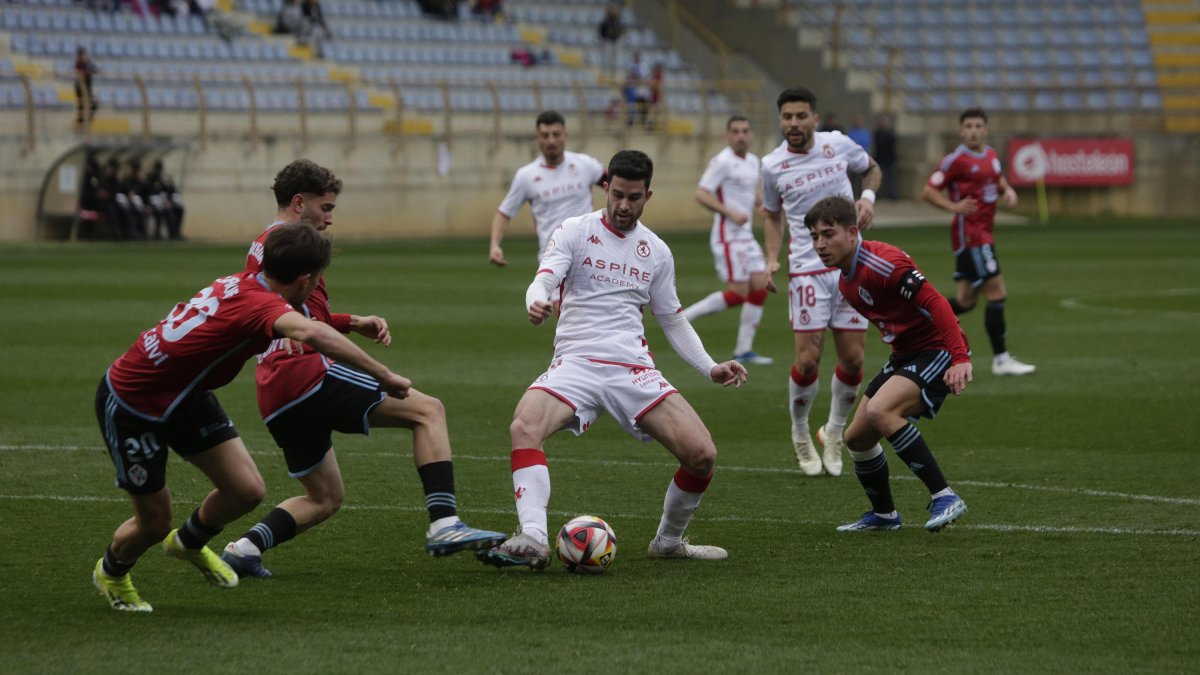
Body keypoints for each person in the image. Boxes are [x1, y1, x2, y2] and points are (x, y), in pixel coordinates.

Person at [91, 222, 412, 612]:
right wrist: (386, 375)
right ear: (306, 280)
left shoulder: (248, 282)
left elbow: (299, 324)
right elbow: (311, 333)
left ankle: (189, 543)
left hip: (185, 396)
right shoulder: (262, 305)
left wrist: (349, 321)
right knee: (154, 523)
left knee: (245, 490)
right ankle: (111, 571)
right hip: (133, 403)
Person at [218, 161, 505, 579]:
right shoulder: (294, 245)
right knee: (429, 411)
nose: (330, 218)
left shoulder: (262, 245)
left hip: (273, 389)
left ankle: (244, 549)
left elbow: (293, 315)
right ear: (299, 203)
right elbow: (304, 328)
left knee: (325, 496)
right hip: (304, 372)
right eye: (326, 207)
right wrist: (380, 370)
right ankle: (445, 523)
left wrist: (351, 320)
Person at [476, 150, 749, 570]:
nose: (623, 206)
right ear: (605, 188)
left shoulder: (656, 251)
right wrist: (538, 301)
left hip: (632, 368)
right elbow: (543, 280)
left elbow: (673, 320)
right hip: (576, 362)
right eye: (617, 194)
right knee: (524, 425)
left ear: (647, 196)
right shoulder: (574, 230)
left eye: (633, 198)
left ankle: (669, 541)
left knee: (702, 455)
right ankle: (532, 537)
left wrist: (710, 367)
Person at [803, 196, 970, 532]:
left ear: (852, 232)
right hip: (905, 356)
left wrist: (960, 356)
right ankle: (884, 515)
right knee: (857, 439)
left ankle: (945, 495)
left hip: (936, 350)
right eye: (814, 236)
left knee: (881, 411)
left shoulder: (883, 263)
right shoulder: (846, 281)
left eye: (828, 234)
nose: (820, 244)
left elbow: (936, 303)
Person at [761, 87, 882, 478]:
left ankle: (833, 432)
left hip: (852, 264)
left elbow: (873, 169)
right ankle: (799, 432)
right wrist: (770, 258)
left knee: (854, 359)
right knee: (808, 359)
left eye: (801, 116)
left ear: (815, 118)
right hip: (807, 268)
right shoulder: (772, 165)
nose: (793, 124)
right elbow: (772, 215)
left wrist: (867, 199)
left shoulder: (838, 145)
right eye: (787, 117)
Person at [921, 107, 1035, 377]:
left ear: (985, 129)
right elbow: (928, 191)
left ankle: (919, 315)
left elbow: (997, 179)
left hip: (983, 234)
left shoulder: (992, 156)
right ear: (961, 130)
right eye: (968, 126)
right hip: (972, 236)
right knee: (997, 292)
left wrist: (1008, 191)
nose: (973, 131)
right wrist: (953, 206)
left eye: (977, 126)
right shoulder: (955, 160)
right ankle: (1001, 359)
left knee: (966, 300)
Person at [683, 115, 772, 365]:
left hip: (746, 236)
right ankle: (683, 319)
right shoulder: (721, 162)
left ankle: (744, 350)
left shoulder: (754, 162)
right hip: (728, 236)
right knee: (739, 292)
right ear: (727, 135)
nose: (741, 135)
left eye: (745, 130)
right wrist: (730, 212)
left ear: (751, 135)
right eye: (735, 131)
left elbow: (749, 193)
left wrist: (761, 204)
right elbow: (701, 194)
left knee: (760, 287)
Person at [488, 110, 606, 266]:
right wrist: (494, 245)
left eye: (556, 134)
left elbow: (615, 186)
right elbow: (504, 213)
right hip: (551, 258)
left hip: (589, 256)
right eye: (545, 135)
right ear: (537, 138)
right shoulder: (526, 176)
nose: (551, 141)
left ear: (565, 135)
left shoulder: (585, 164)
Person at [872, 114, 898, 200]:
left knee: (891, 178)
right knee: (878, 177)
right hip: (880, 159)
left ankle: (892, 195)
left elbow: (892, 143)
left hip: (889, 159)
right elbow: (878, 144)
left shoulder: (890, 133)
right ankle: (878, 195)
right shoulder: (877, 133)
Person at [598, 2, 624, 81]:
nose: (613, 11)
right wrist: (607, 34)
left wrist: (617, 33)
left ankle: (613, 75)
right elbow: (601, 31)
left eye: (615, 9)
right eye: (612, 9)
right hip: (608, 41)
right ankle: (605, 74)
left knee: (615, 59)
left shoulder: (618, 20)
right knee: (607, 58)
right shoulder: (605, 20)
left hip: (616, 41)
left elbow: (621, 30)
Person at [74, 47, 98, 128]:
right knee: (82, 106)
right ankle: (80, 123)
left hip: (87, 87)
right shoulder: (79, 63)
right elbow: (80, 73)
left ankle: (86, 121)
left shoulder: (88, 63)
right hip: (81, 87)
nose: (85, 56)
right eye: (83, 55)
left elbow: (95, 70)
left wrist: (90, 67)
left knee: (93, 105)